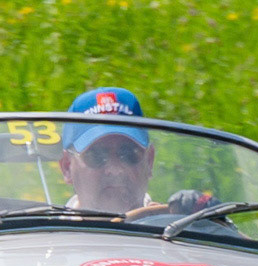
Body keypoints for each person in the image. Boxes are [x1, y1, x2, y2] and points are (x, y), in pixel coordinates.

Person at [58, 87, 211, 217]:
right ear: (67, 167)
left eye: (129, 154)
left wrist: (211, 223)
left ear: (149, 161)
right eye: (96, 156)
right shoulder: (49, 239)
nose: (115, 170)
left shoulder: (178, 230)